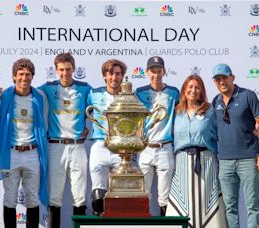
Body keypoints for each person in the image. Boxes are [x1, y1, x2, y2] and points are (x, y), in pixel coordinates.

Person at [211, 63, 259, 228]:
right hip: (225, 161)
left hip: (248, 159)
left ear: (232, 77)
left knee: (252, 206)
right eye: (217, 79)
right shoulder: (216, 101)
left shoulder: (248, 95)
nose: (221, 81)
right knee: (230, 207)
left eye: (224, 77)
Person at [0, 58, 49, 228]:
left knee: (32, 197)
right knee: (10, 197)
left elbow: (44, 122)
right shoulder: (3, 96)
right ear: (14, 77)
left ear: (33, 76)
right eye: (21, 74)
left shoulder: (40, 97)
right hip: (11, 154)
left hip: (32, 153)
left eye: (28, 74)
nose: (24, 78)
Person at [38, 53, 91, 228]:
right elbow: (24, 91)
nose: (65, 73)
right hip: (56, 146)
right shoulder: (47, 88)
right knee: (55, 196)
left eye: (68, 69)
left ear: (74, 69)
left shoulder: (85, 88)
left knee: (80, 196)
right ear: (55, 70)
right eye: (61, 70)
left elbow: (99, 105)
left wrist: (91, 127)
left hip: (78, 147)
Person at [166, 75, 226, 227]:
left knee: (206, 200)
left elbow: (224, 132)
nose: (193, 90)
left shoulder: (210, 111)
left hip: (206, 161)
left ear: (202, 91)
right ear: (184, 90)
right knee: (182, 199)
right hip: (182, 162)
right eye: (190, 87)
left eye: (197, 87)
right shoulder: (176, 111)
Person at [135, 56, 179, 215]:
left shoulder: (174, 93)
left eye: (159, 71)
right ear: (147, 72)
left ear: (164, 71)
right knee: (143, 193)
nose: (156, 75)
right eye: (152, 71)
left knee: (164, 195)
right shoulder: (139, 93)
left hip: (165, 147)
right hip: (145, 148)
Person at [87, 59, 126, 216]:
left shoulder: (130, 96)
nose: (114, 78)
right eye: (110, 74)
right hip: (100, 147)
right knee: (98, 195)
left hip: (122, 149)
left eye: (117, 74)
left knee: (120, 195)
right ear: (104, 76)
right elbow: (75, 110)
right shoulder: (93, 94)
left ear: (122, 76)